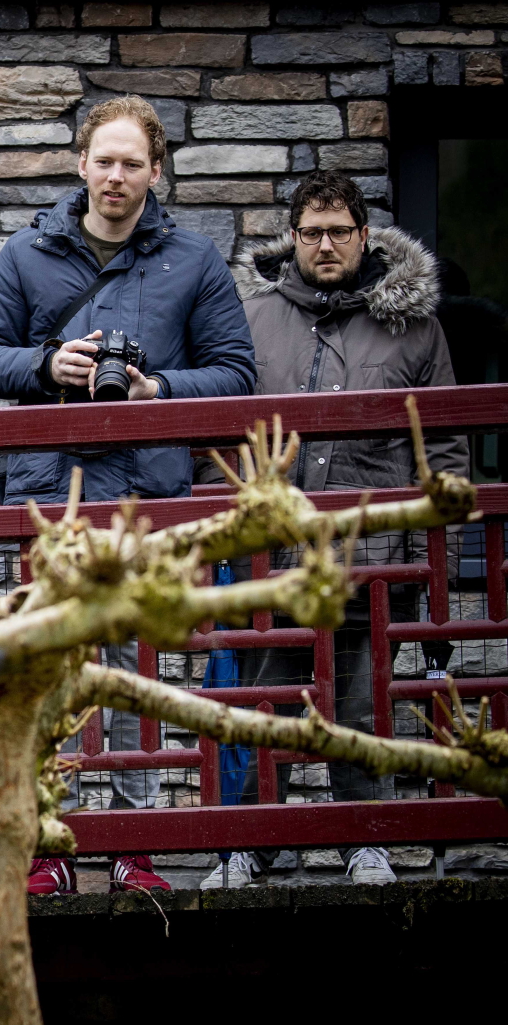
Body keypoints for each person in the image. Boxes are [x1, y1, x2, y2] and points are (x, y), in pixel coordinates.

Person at [0, 96, 256, 896]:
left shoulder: (194, 261)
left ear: (155, 172)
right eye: (104, 160)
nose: (116, 175)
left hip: (143, 499)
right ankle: (47, 844)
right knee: (47, 665)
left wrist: (158, 386)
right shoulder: (26, 255)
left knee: (134, 668)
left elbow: (237, 375)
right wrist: (47, 366)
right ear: (80, 163)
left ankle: (136, 843)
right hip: (50, 489)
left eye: (132, 163)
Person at [201, 170, 470, 889]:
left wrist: (432, 549)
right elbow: (221, 433)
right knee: (262, 701)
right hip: (269, 550)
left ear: (363, 236)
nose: (326, 245)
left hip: (368, 548)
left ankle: (365, 838)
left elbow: (441, 447)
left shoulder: (415, 325)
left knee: (361, 699)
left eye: (339, 232)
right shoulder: (250, 318)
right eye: (312, 232)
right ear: (292, 239)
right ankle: (252, 845)